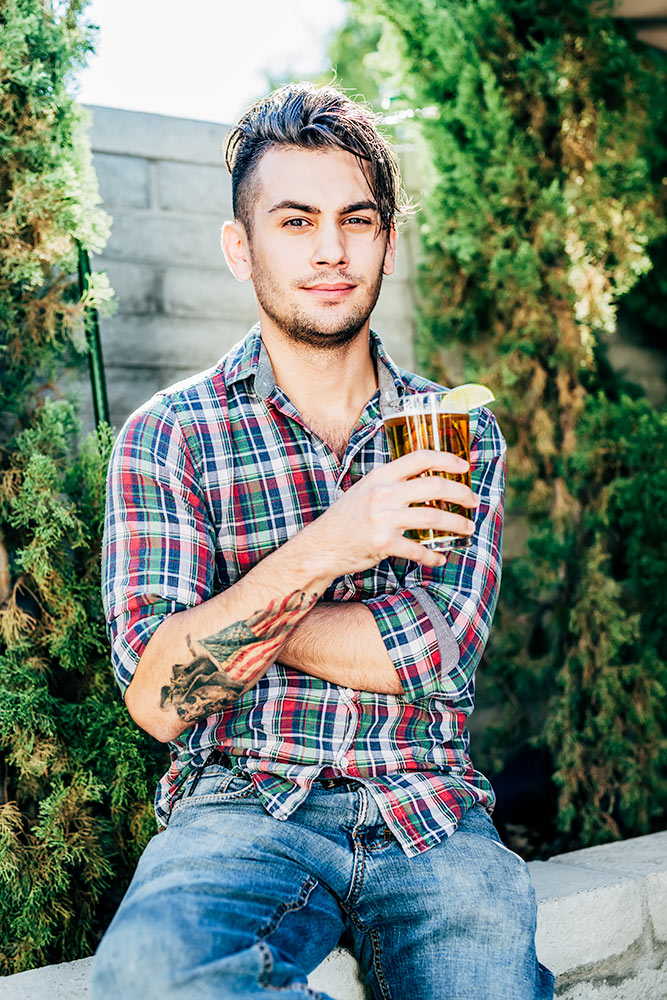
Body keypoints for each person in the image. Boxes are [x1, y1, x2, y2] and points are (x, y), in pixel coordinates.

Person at [91, 82, 554, 1000]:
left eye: (358, 219)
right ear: (240, 246)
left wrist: (225, 614)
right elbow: (157, 703)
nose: (332, 250)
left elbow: (433, 655)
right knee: (151, 978)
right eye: (295, 221)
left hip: (429, 816)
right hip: (240, 807)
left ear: (386, 238)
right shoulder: (168, 435)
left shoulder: (454, 433)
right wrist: (330, 547)